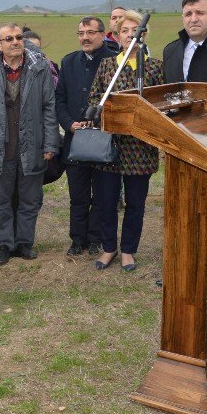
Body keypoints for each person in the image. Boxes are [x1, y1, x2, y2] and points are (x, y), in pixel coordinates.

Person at [0, 23, 60, 266]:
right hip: (1, 147)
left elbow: (48, 109)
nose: (15, 42)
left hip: (32, 145)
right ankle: (2, 245)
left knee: (30, 199)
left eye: (18, 37)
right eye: (8, 38)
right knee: (0, 201)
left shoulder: (39, 68)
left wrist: (50, 143)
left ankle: (24, 243)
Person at [85, 12, 163, 272]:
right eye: (126, 30)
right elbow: (95, 97)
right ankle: (109, 248)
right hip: (110, 146)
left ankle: (128, 249)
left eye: (136, 30)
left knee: (135, 203)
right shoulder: (107, 66)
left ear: (144, 35)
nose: (131, 34)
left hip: (140, 148)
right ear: (117, 36)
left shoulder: (154, 67)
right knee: (106, 201)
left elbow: (162, 104)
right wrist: (102, 110)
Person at [56, 16, 117, 258]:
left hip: (102, 139)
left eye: (91, 32)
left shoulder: (114, 62)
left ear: (102, 34)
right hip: (75, 141)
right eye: (81, 33)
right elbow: (59, 99)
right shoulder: (69, 62)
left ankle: (95, 239)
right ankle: (77, 239)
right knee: (78, 195)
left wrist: (98, 122)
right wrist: (70, 124)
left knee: (101, 195)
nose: (85, 37)